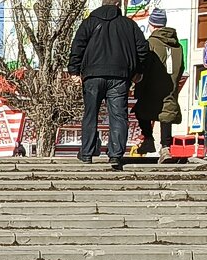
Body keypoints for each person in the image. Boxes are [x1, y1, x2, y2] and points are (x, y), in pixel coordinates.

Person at [68, 0, 149, 171]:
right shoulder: (129, 25)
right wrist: (137, 71)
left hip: (92, 76)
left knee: (90, 114)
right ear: (118, 4)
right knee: (119, 115)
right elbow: (142, 48)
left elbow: (77, 47)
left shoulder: (89, 22)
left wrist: (74, 71)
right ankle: (115, 155)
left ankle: (87, 153)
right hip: (120, 76)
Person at [132, 8, 184, 163]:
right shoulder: (178, 46)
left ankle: (148, 139)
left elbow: (145, 66)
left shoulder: (150, 43)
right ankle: (165, 148)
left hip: (150, 87)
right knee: (167, 114)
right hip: (170, 87)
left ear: (152, 25)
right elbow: (181, 67)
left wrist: (138, 82)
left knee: (141, 110)